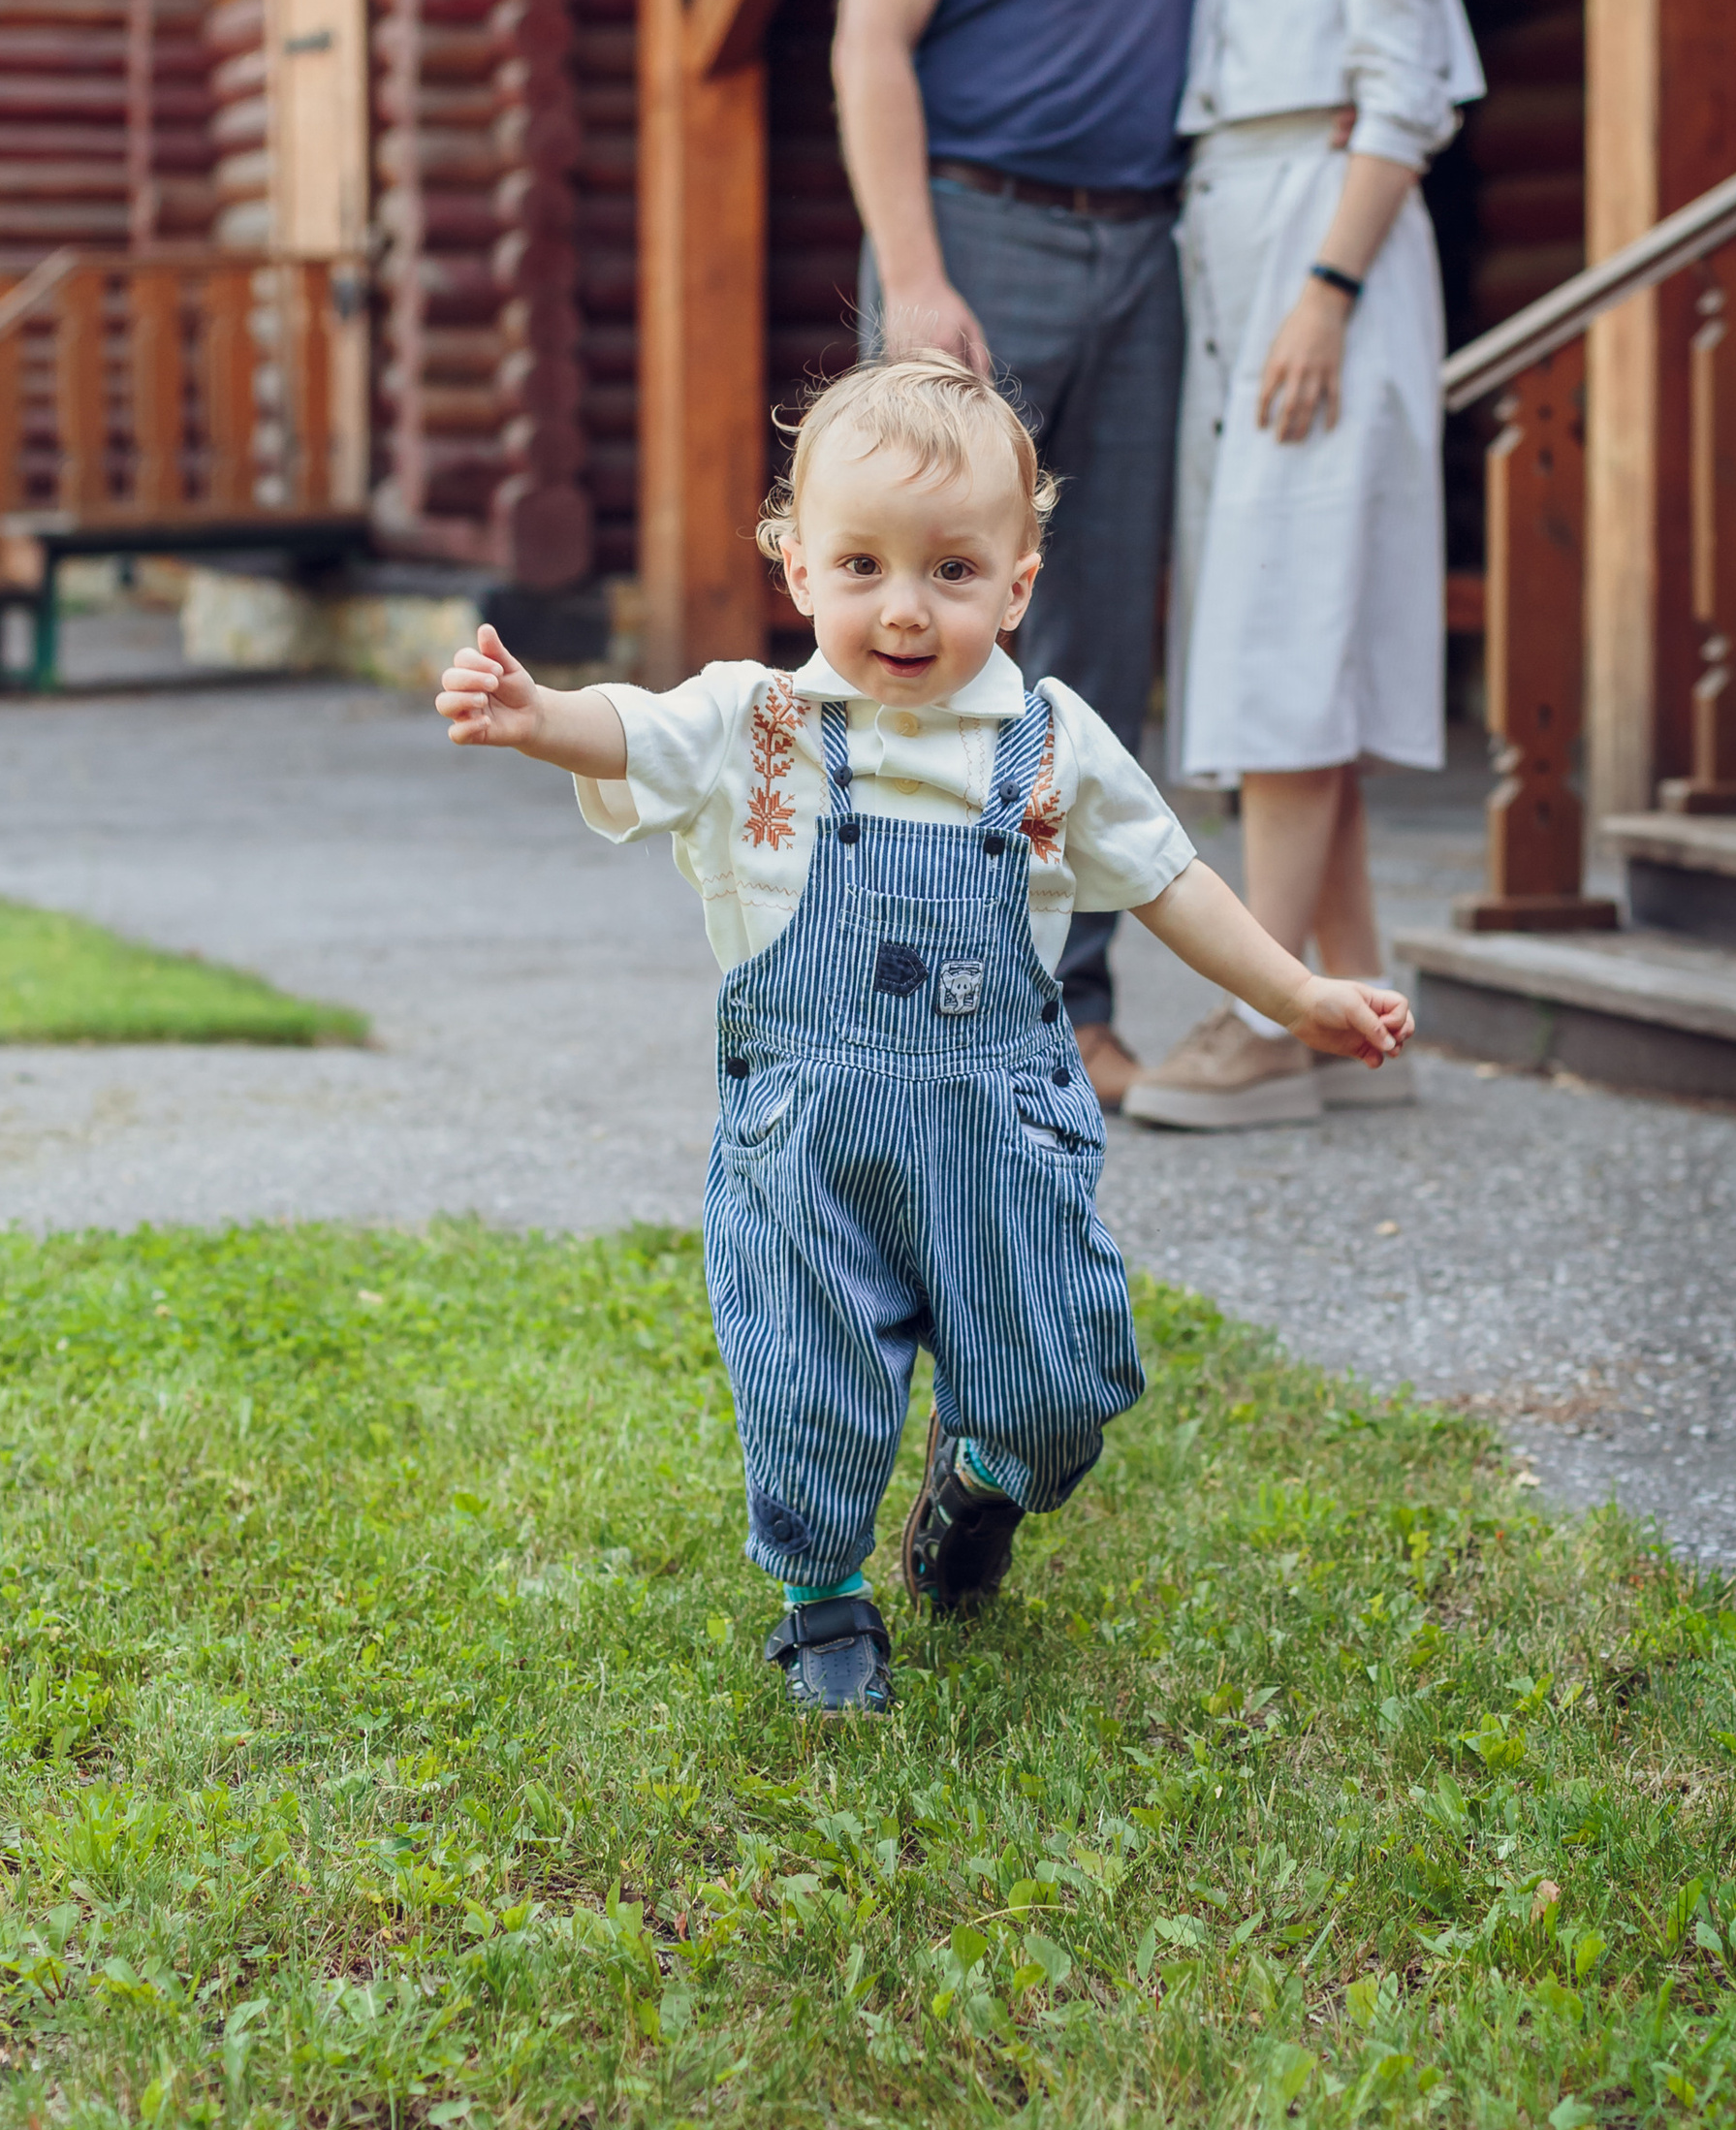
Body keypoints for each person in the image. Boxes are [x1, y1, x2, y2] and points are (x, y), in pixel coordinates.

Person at [437, 355, 1412, 1716]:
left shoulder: (1051, 744)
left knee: (1062, 1377)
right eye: (862, 567)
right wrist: (543, 719)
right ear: (797, 569)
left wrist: (1293, 993)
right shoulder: (754, 727)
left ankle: (983, 1480)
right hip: (813, 1141)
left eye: (952, 572)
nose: (904, 610)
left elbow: (1172, 880)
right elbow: (634, 733)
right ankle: (823, 1600)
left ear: (1017, 582)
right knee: (810, 1380)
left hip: (1000, 1138)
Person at [832, 0, 1234, 1115]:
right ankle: (880, 995)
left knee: (1087, 649)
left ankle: (1068, 1011)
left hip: (1144, 252)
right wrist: (916, 280)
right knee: (911, 633)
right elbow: (869, 42)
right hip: (971, 246)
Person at [1124, 0, 1483, 1136]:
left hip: (1323, 242)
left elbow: (1407, 90)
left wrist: (1328, 284)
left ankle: (1259, 1017)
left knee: (1286, 622)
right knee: (1277, 615)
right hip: (1226, 227)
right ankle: (1357, 1005)